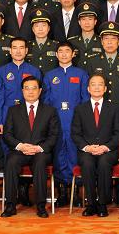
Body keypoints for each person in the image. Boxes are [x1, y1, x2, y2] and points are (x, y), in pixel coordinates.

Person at [86, 21, 119, 203]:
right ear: (101, 41)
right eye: (106, 39)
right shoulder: (93, 61)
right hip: (99, 114)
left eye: (113, 39)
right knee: (100, 152)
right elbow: (89, 89)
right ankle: (101, 191)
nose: (109, 42)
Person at [0, 76, 59, 218]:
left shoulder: (50, 111)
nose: (30, 92)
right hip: (20, 150)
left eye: (34, 88)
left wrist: (39, 148)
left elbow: (54, 136)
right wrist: (21, 146)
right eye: (27, 88)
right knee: (11, 162)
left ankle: (40, 206)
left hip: (40, 151)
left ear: (40, 91)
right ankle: (10, 205)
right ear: (22, 91)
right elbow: (7, 134)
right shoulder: (13, 110)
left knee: (39, 163)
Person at [43, 41, 89, 206]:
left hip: (75, 122)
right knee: (58, 155)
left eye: (67, 51)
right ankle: (61, 191)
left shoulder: (81, 74)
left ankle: (75, 191)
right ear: (56, 54)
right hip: (56, 122)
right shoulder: (49, 75)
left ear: (73, 54)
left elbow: (86, 100)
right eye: (60, 51)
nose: (63, 54)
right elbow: (46, 101)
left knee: (73, 154)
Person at [71, 74, 119, 217]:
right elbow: (75, 134)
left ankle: (102, 203)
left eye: (100, 84)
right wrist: (87, 147)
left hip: (108, 150)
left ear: (105, 88)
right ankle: (91, 203)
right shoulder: (80, 109)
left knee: (104, 163)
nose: (96, 87)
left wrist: (105, 147)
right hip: (86, 150)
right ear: (88, 89)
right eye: (93, 84)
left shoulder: (114, 108)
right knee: (87, 164)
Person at [0, 37, 41, 173]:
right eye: (15, 48)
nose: (18, 51)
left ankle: (24, 187)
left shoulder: (34, 71)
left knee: (27, 149)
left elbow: (39, 98)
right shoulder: (2, 71)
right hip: (7, 115)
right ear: (10, 51)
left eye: (21, 48)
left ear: (26, 51)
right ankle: (9, 187)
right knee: (7, 150)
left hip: (28, 115)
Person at [68, 2, 102, 68]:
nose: (87, 23)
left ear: (95, 21)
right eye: (83, 19)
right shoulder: (71, 42)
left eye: (90, 19)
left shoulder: (102, 41)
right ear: (79, 22)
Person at [26, 9, 59, 75]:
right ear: (32, 29)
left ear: (49, 28)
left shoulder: (57, 46)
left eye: (43, 25)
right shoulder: (26, 46)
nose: (40, 29)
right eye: (37, 26)